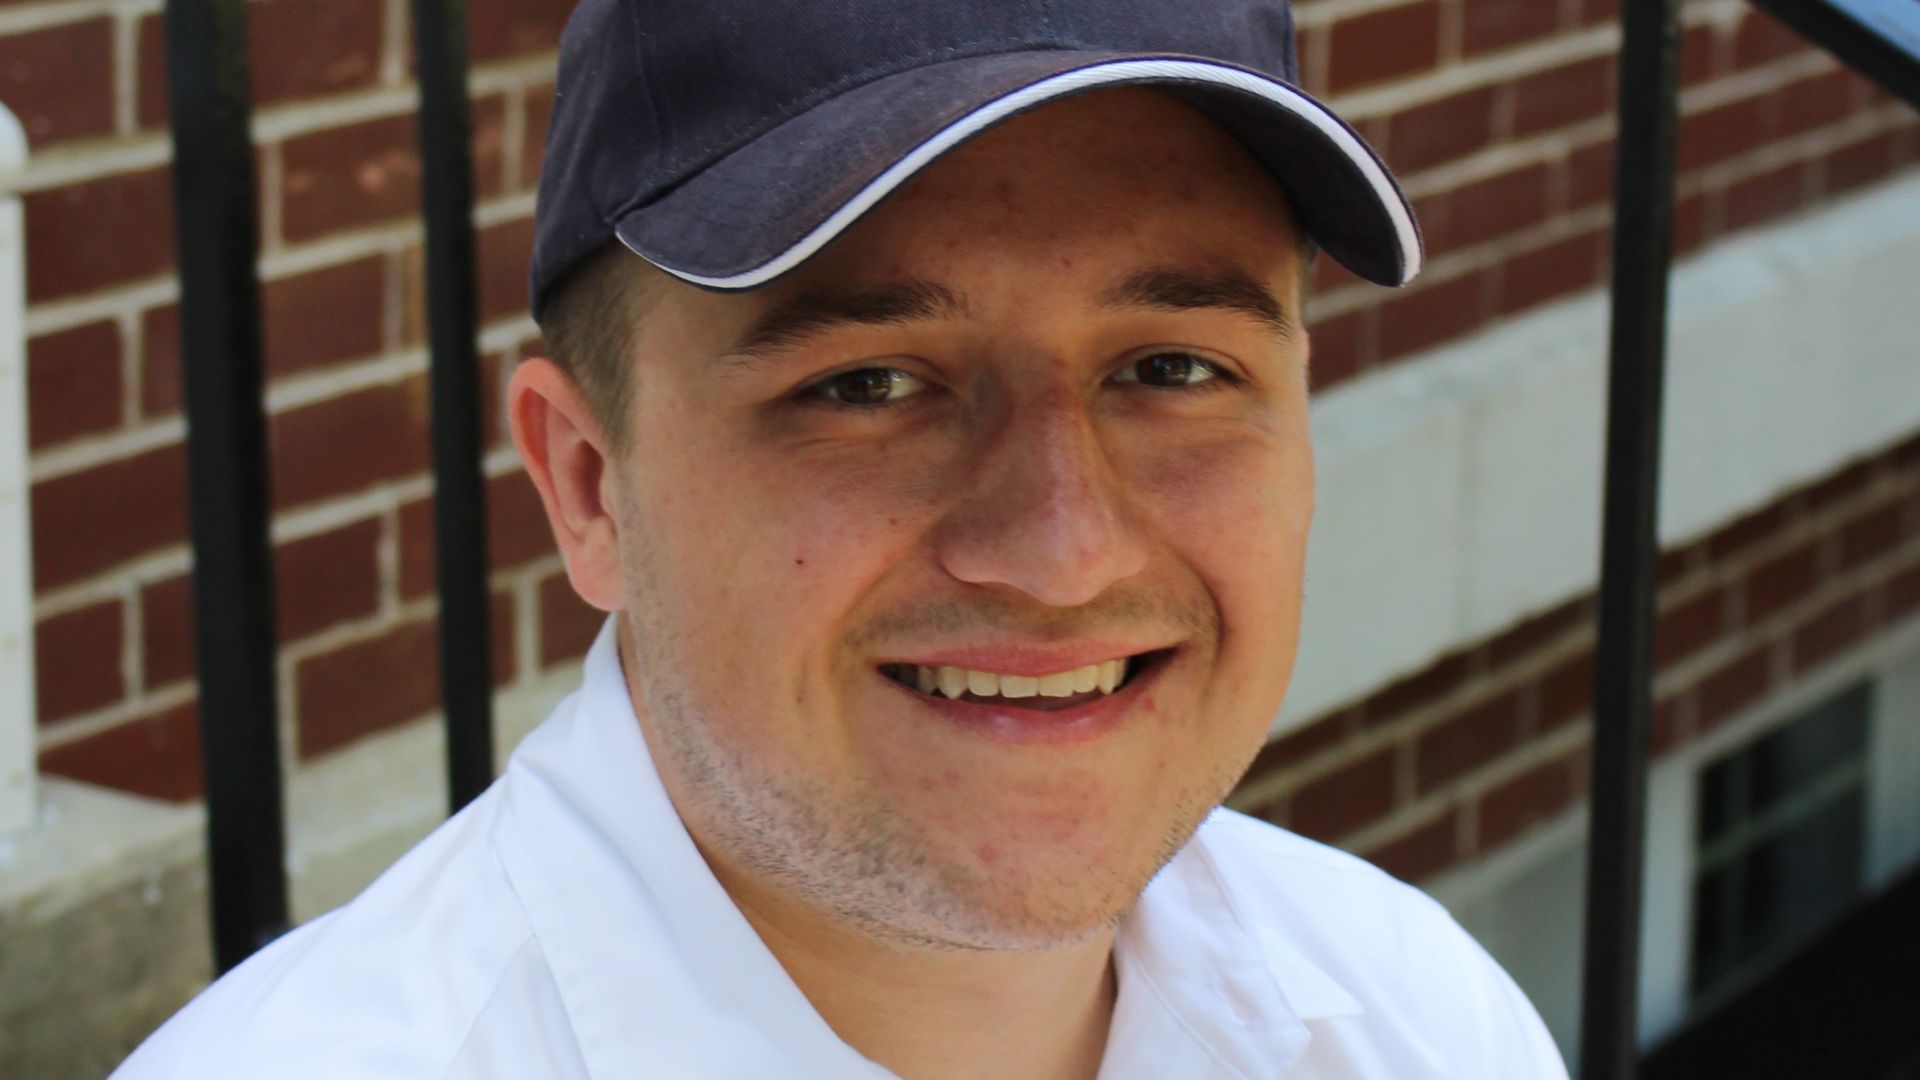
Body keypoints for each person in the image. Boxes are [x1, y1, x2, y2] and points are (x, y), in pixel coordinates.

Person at [116, 0, 1571, 1076]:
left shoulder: (1406, 1018)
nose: (1063, 552)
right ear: (587, 485)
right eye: (866, 387)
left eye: (1171, 369)